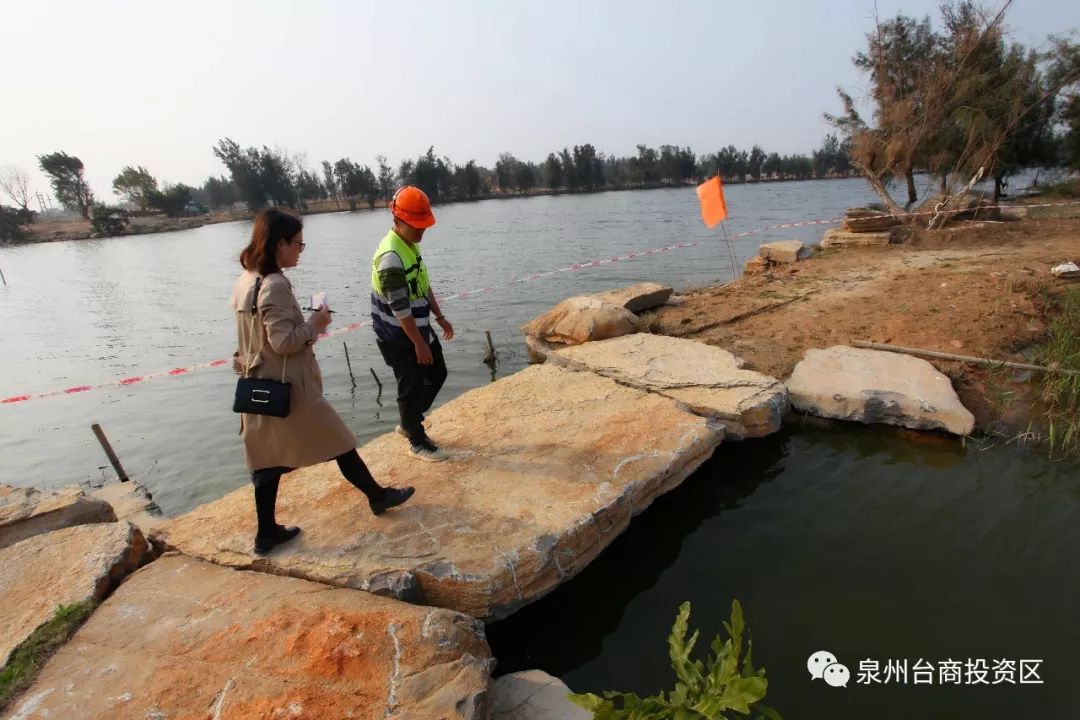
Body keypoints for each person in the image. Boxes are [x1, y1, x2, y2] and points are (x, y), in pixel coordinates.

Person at [232, 208, 414, 555]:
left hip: (258, 386)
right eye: (299, 244)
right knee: (339, 440)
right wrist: (316, 322)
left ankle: (266, 533)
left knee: (267, 460)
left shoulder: (248, 279)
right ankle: (378, 496)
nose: (301, 250)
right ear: (280, 243)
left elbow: (250, 338)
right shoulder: (274, 285)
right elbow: (284, 343)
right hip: (289, 390)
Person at [370, 186, 454, 462]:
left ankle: (409, 422)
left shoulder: (409, 246)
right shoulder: (390, 258)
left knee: (438, 372)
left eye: (423, 225)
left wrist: (439, 317)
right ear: (398, 220)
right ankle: (416, 441)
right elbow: (399, 307)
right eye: (416, 225)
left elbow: (423, 284)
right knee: (410, 386)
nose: (422, 231)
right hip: (399, 336)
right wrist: (418, 344)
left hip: (419, 329)